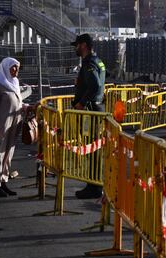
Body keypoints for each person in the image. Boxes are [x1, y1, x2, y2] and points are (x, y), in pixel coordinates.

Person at [0, 57, 27, 197]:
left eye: (17, 67)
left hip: (13, 126)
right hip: (1, 127)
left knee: (8, 154)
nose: (16, 70)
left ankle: (3, 181)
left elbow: (17, 103)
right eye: (13, 67)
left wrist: (26, 107)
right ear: (5, 67)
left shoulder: (14, 83)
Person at [71, 33, 106, 199]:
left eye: (77, 45)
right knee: (94, 148)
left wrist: (82, 103)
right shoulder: (97, 60)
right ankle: (93, 185)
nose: (76, 48)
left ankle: (94, 187)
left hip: (90, 111)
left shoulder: (89, 63)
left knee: (91, 148)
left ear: (84, 45)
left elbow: (95, 86)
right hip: (96, 109)